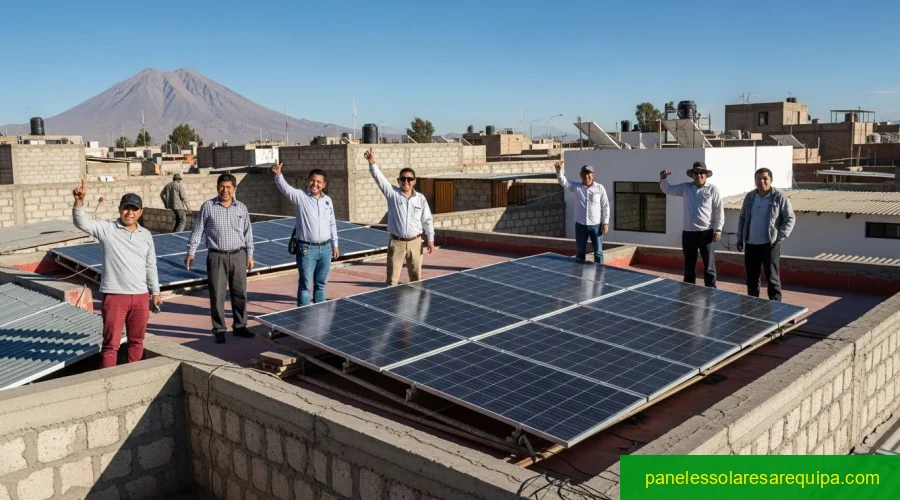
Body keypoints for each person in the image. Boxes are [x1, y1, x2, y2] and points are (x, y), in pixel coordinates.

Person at [71, 181, 161, 368]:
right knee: (111, 345)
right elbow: (82, 222)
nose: (129, 213)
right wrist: (79, 202)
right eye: (126, 208)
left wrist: (155, 292)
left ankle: (133, 377)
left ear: (140, 212)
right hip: (114, 295)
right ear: (120, 210)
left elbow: (150, 265)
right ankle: (109, 382)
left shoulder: (146, 235)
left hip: (140, 296)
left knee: (137, 341)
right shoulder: (107, 229)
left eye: (134, 209)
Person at [185, 173, 255, 344]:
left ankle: (240, 326)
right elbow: (198, 230)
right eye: (222, 186)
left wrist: (250, 254)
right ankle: (219, 329)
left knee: (240, 293)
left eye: (229, 187)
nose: (225, 190)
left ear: (234, 189)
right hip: (216, 256)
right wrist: (191, 252)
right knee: (217, 295)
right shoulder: (208, 206)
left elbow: (248, 233)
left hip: (238, 255)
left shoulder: (241, 208)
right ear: (217, 187)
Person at [364, 148, 435, 285]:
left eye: (410, 179)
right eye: (403, 179)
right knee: (392, 280)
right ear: (399, 180)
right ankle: (391, 306)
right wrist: (372, 163)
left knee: (416, 278)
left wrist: (430, 239)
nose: (406, 181)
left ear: (414, 181)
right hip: (397, 244)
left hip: (416, 243)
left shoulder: (420, 199)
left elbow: (427, 220)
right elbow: (380, 179)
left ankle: (415, 305)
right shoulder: (392, 194)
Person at [271, 162, 340, 306]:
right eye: (312, 180)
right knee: (305, 286)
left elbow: (332, 223)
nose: (314, 184)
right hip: (307, 249)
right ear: (308, 181)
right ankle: (303, 317)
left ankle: (319, 314)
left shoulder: (328, 201)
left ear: (324, 185)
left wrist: (335, 245)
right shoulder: (301, 196)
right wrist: (278, 175)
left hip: (326, 249)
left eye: (318, 182)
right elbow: (286, 189)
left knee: (321, 284)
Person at [660, 161, 723, 287]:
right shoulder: (685, 188)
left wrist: (718, 230)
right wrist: (663, 178)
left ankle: (710, 290)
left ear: (706, 175)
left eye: (701, 173)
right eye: (696, 173)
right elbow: (668, 190)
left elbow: (718, 210)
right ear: (692, 175)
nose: (699, 175)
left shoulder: (713, 190)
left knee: (709, 266)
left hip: (707, 233)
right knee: (689, 265)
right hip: (688, 234)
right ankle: (688, 291)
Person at [736, 168, 796, 301]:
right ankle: (752, 305)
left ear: (771, 180)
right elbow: (743, 218)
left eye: (765, 178)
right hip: (751, 244)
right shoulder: (750, 197)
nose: (761, 181)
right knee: (752, 279)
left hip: (770, 245)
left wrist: (780, 236)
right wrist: (740, 238)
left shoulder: (779, 196)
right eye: (758, 179)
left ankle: (776, 308)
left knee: (772, 279)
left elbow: (790, 218)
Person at [555, 160, 609, 264]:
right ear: (580, 175)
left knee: (598, 252)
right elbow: (563, 182)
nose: (586, 176)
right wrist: (558, 171)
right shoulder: (576, 187)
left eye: (589, 174)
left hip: (596, 226)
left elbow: (605, 206)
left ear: (593, 175)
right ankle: (579, 275)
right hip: (580, 226)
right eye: (584, 174)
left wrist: (605, 222)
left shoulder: (600, 188)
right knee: (580, 252)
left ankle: (599, 276)